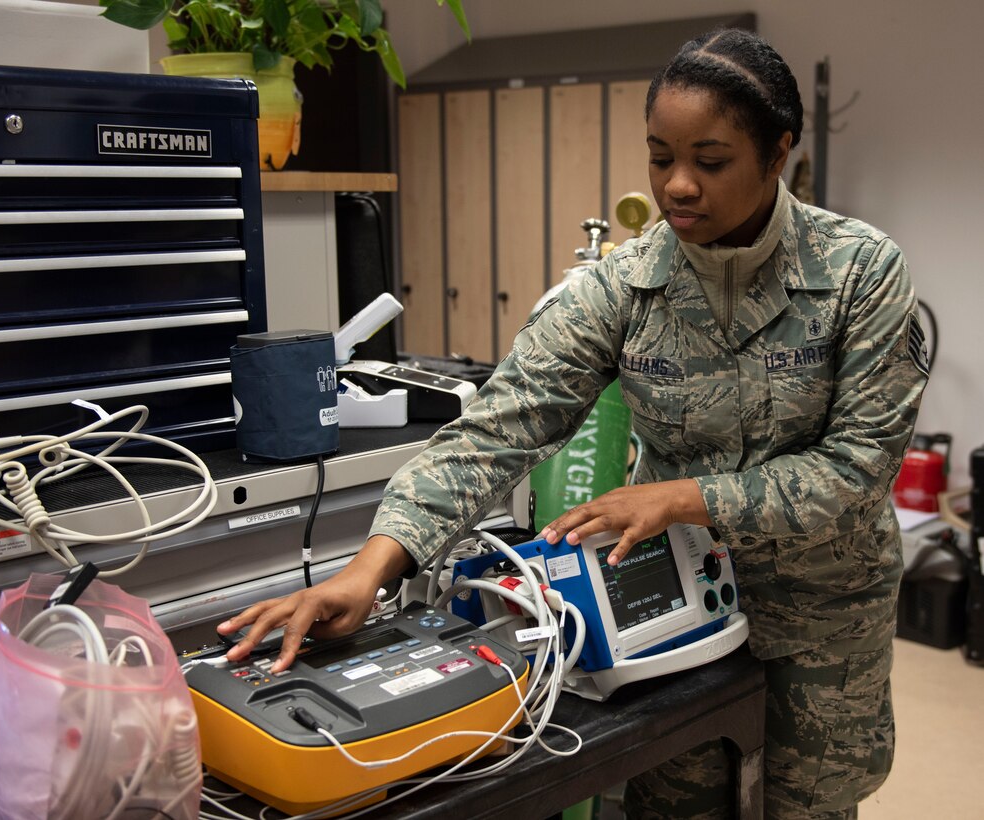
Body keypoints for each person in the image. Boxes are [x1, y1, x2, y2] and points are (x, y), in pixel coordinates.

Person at [220, 27, 929, 819]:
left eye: (711, 160)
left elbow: (855, 469)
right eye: (660, 157)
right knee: (675, 799)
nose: (678, 186)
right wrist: (371, 568)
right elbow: (496, 429)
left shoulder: (859, 272)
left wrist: (679, 496)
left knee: (805, 806)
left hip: (818, 615)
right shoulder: (623, 287)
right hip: (668, 608)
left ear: (778, 152)